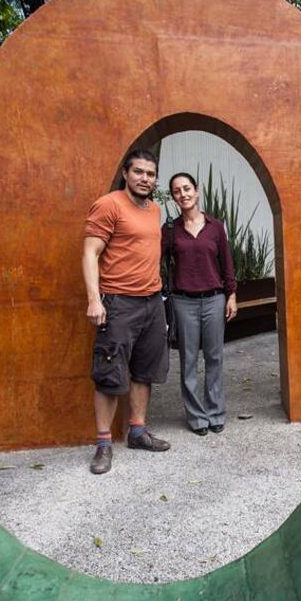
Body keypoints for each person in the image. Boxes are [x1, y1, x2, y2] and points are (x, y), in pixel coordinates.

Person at [82, 150, 171, 475]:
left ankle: (137, 431)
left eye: (150, 173)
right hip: (118, 303)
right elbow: (90, 253)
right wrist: (95, 299)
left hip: (152, 302)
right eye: (139, 172)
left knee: (144, 371)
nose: (145, 178)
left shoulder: (155, 209)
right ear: (126, 172)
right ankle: (104, 444)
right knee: (109, 374)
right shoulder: (109, 205)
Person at [162, 172, 237, 436]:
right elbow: (157, 262)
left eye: (186, 188)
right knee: (189, 360)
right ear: (173, 197)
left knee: (215, 357)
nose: (183, 194)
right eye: (176, 191)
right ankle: (197, 417)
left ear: (196, 191)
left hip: (214, 300)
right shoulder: (170, 230)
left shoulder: (215, 226)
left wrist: (231, 295)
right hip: (184, 302)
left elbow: (227, 262)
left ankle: (216, 412)